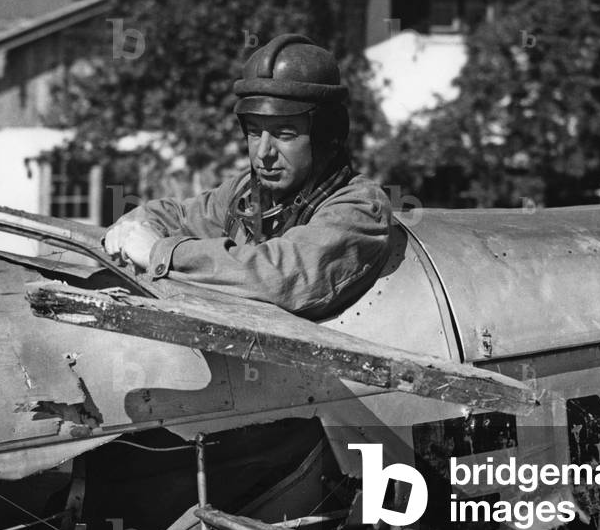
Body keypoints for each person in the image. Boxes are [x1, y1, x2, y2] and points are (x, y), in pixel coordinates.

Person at [103, 34, 392, 319]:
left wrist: (161, 253)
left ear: (326, 136)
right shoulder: (246, 192)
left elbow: (284, 276)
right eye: (254, 132)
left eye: (284, 133)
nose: (264, 152)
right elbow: (179, 216)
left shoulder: (360, 208)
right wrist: (133, 226)